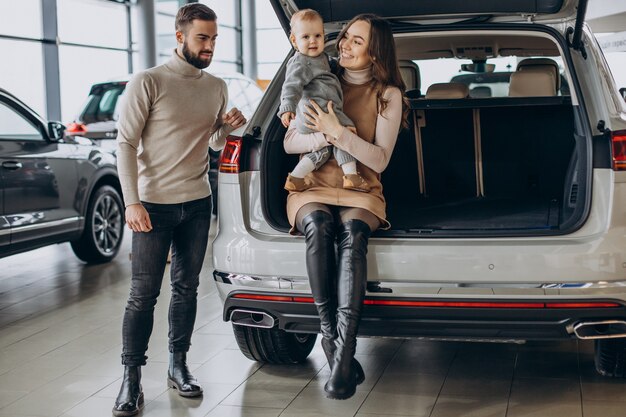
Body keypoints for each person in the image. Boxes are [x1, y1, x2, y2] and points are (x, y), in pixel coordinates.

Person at [112, 4, 246, 416]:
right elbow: (125, 144)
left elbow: (213, 145)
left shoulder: (216, 86)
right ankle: (131, 380)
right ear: (180, 36)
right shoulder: (148, 81)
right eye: (202, 38)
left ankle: (178, 365)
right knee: (143, 294)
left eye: (214, 38)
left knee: (186, 290)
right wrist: (131, 200)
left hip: (196, 203)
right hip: (152, 206)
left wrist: (226, 127)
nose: (209, 46)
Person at [283, 13, 408, 400]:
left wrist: (340, 133)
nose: (344, 45)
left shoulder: (388, 95)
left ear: (376, 53)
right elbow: (289, 143)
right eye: (346, 37)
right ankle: (331, 341)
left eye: (357, 41)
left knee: (353, 234)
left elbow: (380, 159)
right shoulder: (318, 74)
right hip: (312, 185)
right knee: (319, 226)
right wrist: (321, 137)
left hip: (361, 186)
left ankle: (345, 349)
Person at [279, 9, 370, 193]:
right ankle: (351, 175)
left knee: (322, 151)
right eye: (306, 37)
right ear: (294, 41)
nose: (313, 41)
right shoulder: (300, 62)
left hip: (314, 114)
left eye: (318, 35)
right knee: (344, 134)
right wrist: (287, 107)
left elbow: (329, 67)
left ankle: (296, 177)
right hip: (317, 110)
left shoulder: (321, 58)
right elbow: (291, 85)